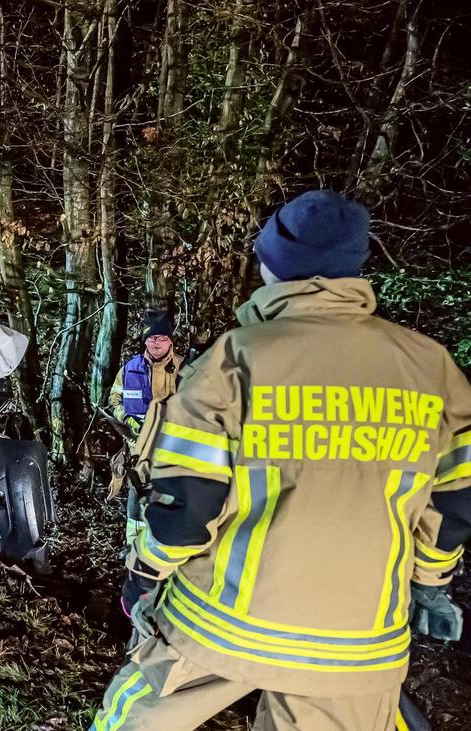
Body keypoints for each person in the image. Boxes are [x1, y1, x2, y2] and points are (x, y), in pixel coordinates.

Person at [92, 189, 470, 731]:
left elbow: (188, 503)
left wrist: (147, 570)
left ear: (271, 264)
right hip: (359, 640)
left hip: (221, 622)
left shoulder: (234, 359)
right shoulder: (434, 370)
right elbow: (453, 501)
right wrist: (431, 582)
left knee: (138, 716)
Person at [109, 310, 184, 435]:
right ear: (145, 341)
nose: (157, 342)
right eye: (152, 337)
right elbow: (113, 401)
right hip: (138, 443)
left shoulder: (185, 367)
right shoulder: (129, 370)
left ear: (170, 341)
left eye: (163, 338)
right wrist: (128, 418)